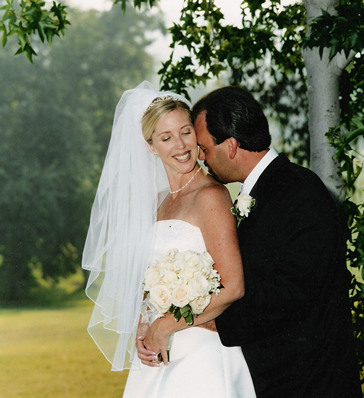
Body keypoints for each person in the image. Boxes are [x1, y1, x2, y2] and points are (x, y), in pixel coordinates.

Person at [82, 81, 256, 397]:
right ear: (151, 146)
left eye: (186, 132)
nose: (180, 145)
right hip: (157, 353)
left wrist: (165, 325)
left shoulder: (210, 196)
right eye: (166, 137)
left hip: (202, 353)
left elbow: (234, 286)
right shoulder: (158, 203)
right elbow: (148, 281)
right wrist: (144, 325)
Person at [188, 86, 363, 397]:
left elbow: (293, 291)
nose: (201, 158)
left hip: (310, 382)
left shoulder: (301, 193)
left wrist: (218, 323)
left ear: (230, 146)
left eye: (204, 149)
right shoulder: (267, 190)